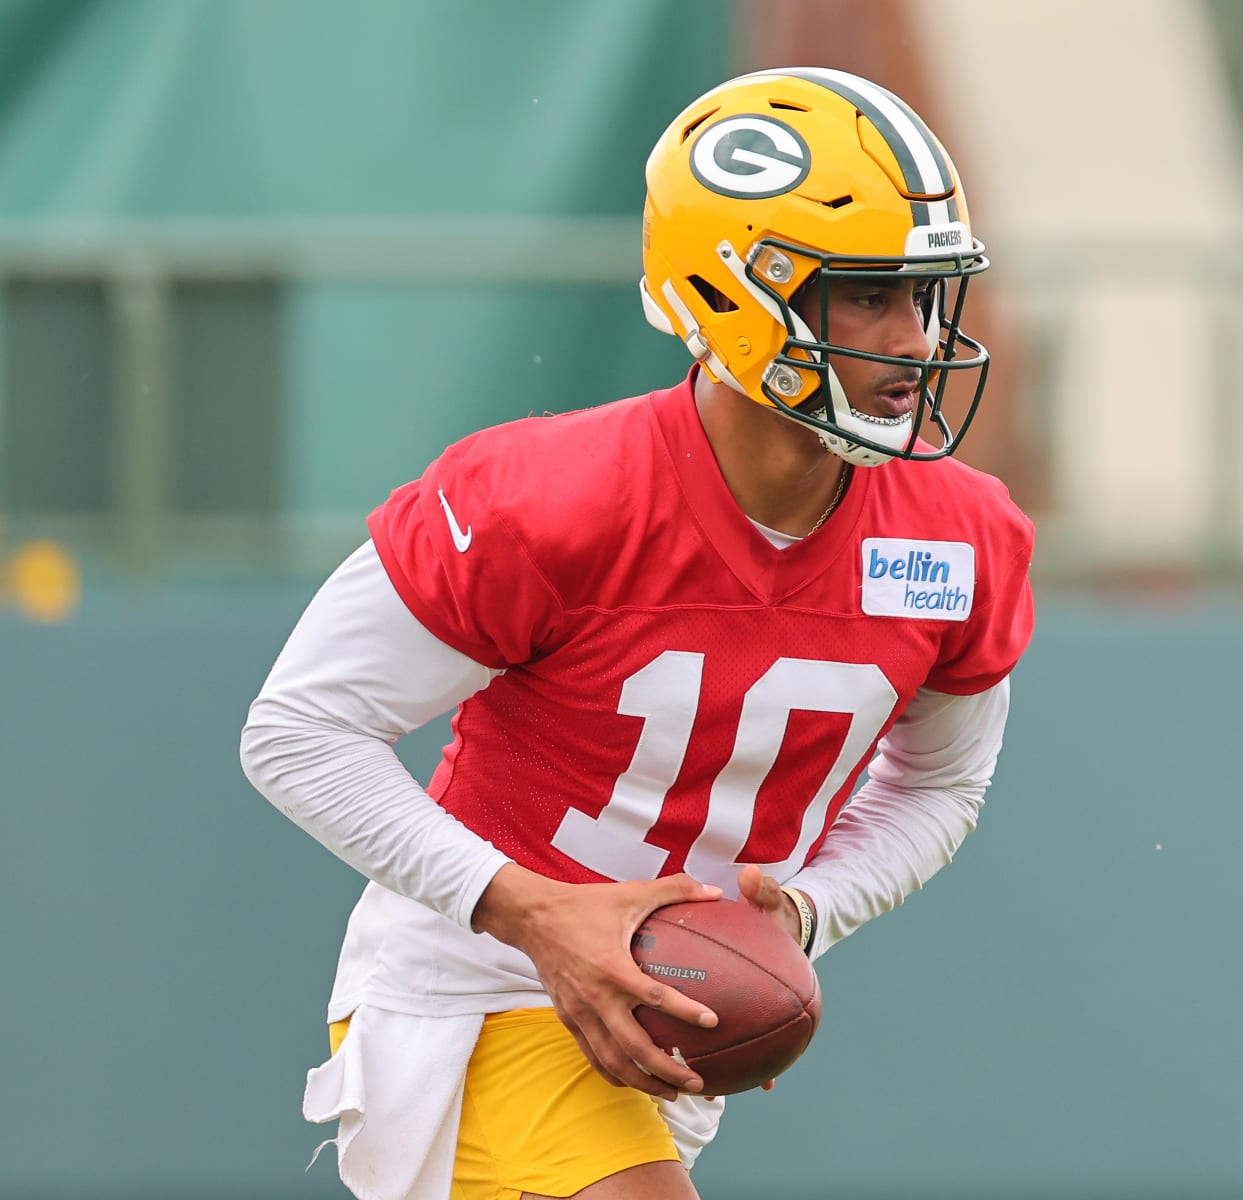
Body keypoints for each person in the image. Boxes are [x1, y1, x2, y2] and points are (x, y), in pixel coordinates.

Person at [241, 66, 1033, 1200]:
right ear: (734, 293)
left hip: (662, 1025)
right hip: (479, 991)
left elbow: (938, 788)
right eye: (867, 294)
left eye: (926, 295)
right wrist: (533, 910)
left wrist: (806, 908)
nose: (915, 341)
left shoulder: (962, 536)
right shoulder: (549, 497)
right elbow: (298, 731)